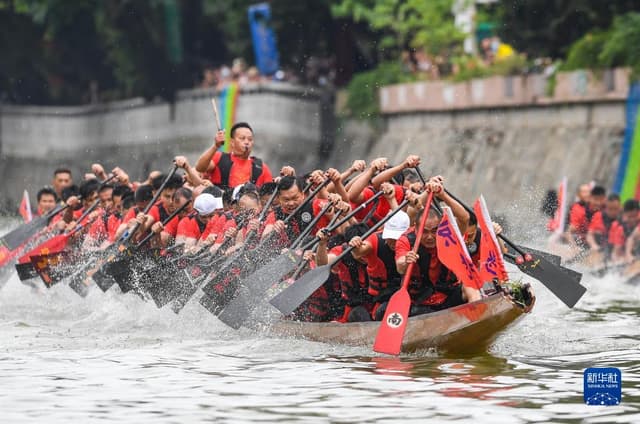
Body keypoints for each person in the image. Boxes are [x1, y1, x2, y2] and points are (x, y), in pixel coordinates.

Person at [394, 177, 478, 316]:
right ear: (416, 228)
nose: (429, 237)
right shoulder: (406, 240)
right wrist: (406, 260)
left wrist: (443, 195)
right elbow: (399, 265)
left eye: (434, 231)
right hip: (420, 302)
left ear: (440, 228)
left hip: (449, 294)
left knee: (470, 285)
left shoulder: (447, 235)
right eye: (425, 231)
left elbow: (465, 218)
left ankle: (477, 314)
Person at [349, 210, 411, 321]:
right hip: (383, 298)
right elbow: (358, 252)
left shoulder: (416, 239)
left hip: (411, 296)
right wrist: (355, 245)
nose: (392, 242)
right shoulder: (375, 240)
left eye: (396, 238)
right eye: (390, 237)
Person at [195, 122, 273, 189]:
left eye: (250, 139)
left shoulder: (261, 167)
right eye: (242, 138)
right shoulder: (219, 158)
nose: (247, 142)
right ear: (232, 142)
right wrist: (216, 146)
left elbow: (269, 194)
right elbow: (200, 167)